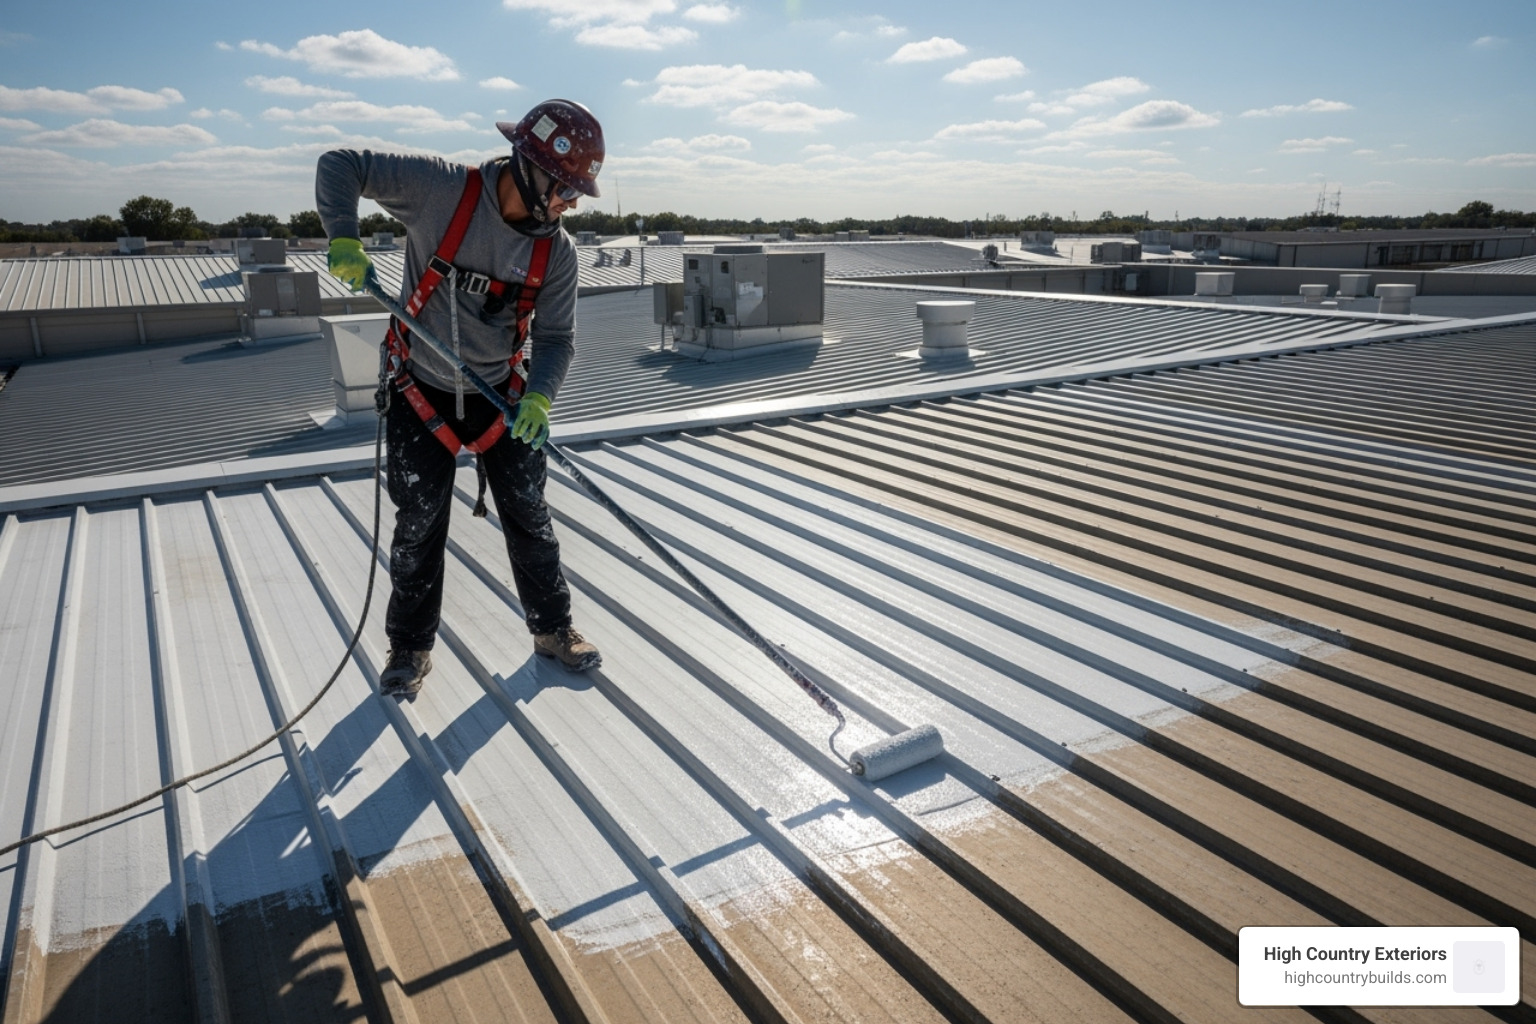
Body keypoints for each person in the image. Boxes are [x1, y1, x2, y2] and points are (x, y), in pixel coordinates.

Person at [316, 98, 604, 696]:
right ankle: (410, 647)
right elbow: (341, 163)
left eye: (576, 193)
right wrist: (344, 236)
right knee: (419, 521)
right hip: (421, 387)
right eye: (563, 188)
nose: (568, 203)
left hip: (501, 396)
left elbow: (557, 338)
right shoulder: (441, 190)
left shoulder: (558, 253)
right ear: (528, 166)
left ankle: (553, 629)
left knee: (529, 514)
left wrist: (541, 398)